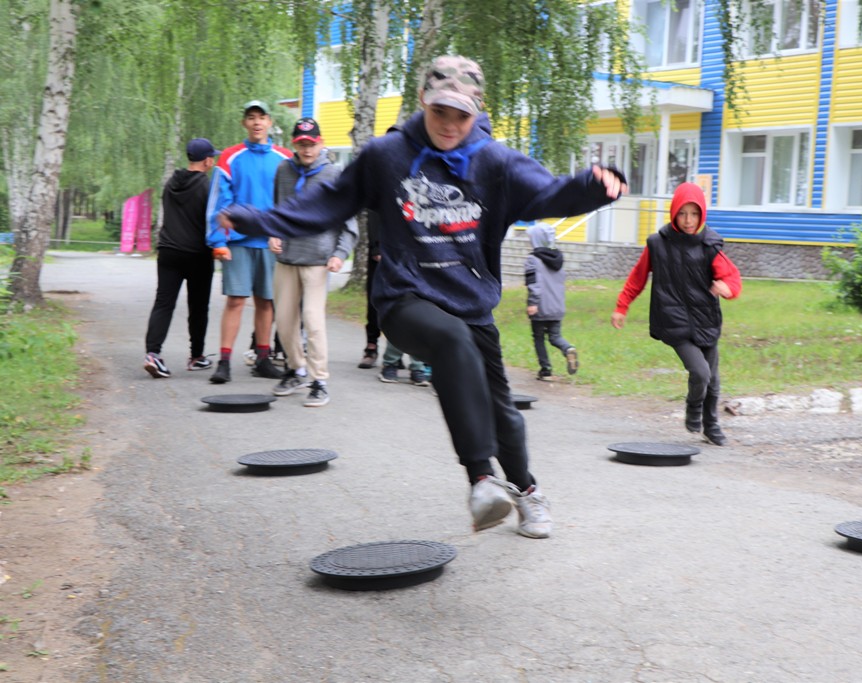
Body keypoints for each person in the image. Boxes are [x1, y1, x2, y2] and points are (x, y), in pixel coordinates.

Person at [220, 55, 627, 539]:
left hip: (471, 301)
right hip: (405, 297)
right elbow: (327, 202)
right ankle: (480, 479)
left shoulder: (494, 161)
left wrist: (593, 186)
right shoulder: (387, 155)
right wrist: (259, 221)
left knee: (504, 414)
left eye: (461, 114)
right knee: (451, 341)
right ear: (422, 102)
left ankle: (525, 489)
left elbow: (549, 192)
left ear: (476, 110)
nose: (450, 125)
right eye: (440, 112)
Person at [611, 181, 741, 446]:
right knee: (701, 373)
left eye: (694, 214)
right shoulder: (658, 244)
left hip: (706, 321)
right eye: (682, 213)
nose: (688, 220)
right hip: (674, 322)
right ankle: (693, 407)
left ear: (702, 214)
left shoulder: (709, 245)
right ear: (674, 213)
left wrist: (727, 288)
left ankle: (711, 426)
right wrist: (622, 306)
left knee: (713, 380)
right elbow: (637, 277)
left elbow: (732, 277)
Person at [269, 117, 357, 407]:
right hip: (288, 258)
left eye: (312, 144)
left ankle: (319, 380)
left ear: (320, 143)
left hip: (318, 260)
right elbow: (277, 212)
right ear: (295, 145)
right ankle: (297, 369)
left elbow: (349, 221)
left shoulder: (334, 174)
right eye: (302, 144)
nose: (307, 150)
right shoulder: (283, 171)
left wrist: (339, 253)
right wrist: (273, 234)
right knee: (284, 322)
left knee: (313, 320)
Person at [205, 100, 291, 384]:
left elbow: (291, 202)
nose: (256, 122)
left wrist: (287, 234)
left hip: (270, 242)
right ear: (244, 123)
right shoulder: (230, 157)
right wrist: (218, 240)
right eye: (251, 118)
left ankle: (263, 358)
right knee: (236, 301)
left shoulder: (284, 158)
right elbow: (218, 201)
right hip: (239, 242)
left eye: (261, 117)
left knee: (267, 302)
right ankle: (225, 361)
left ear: (269, 122)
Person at [144, 138, 220, 378]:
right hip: (197, 254)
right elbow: (213, 220)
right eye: (212, 157)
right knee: (198, 307)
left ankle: (152, 354)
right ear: (207, 160)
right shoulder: (207, 188)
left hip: (168, 251)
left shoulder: (171, 183)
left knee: (163, 303)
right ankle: (196, 356)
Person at [524, 223, 578, 381]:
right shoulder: (558, 258)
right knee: (555, 336)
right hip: (557, 305)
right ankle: (568, 349)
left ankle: (546, 370)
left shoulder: (532, 260)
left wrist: (532, 303)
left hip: (540, 306)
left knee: (538, 337)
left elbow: (533, 282)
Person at [358, 211, 383, 368]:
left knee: (402, 301)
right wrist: (375, 247)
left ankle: (394, 356)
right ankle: (371, 346)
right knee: (374, 300)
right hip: (380, 250)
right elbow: (374, 214)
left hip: (403, 249)